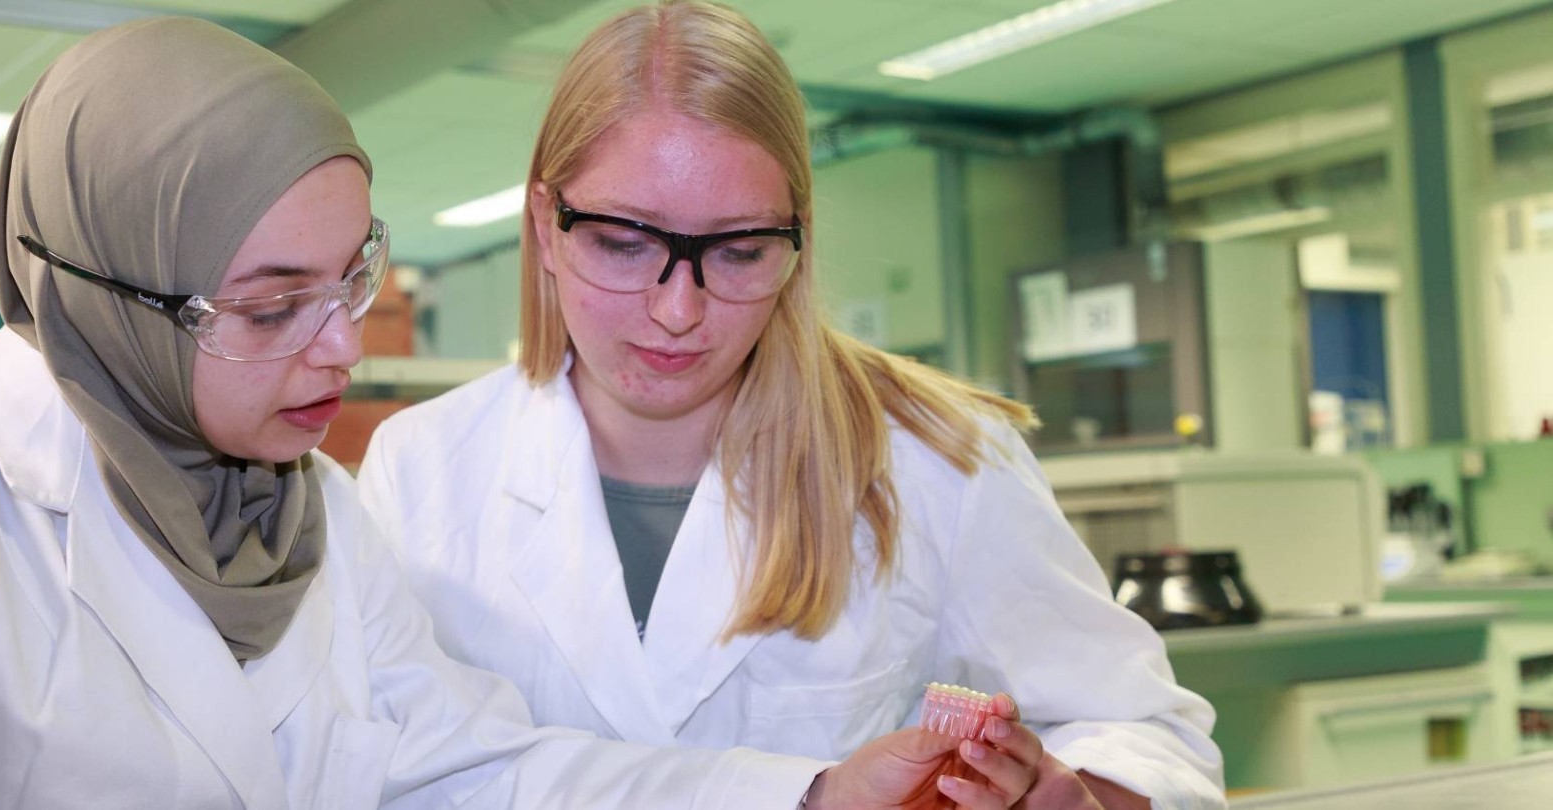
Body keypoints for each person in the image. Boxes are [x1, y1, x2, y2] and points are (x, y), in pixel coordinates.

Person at [0, 16, 960, 810]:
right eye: (270, 305)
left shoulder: (317, 519)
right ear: (104, 292)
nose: (341, 347)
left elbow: (476, 770)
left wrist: (808, 793)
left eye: (351, 278)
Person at [356, 2, 1227, 809]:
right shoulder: (421, 469)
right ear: (546, 223)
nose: (678, 309)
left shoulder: (933, 453)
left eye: (739, 251)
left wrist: (1079, 794)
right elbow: (381, 768)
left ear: (798, 237)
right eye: (624, 244)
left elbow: (1148, 729)